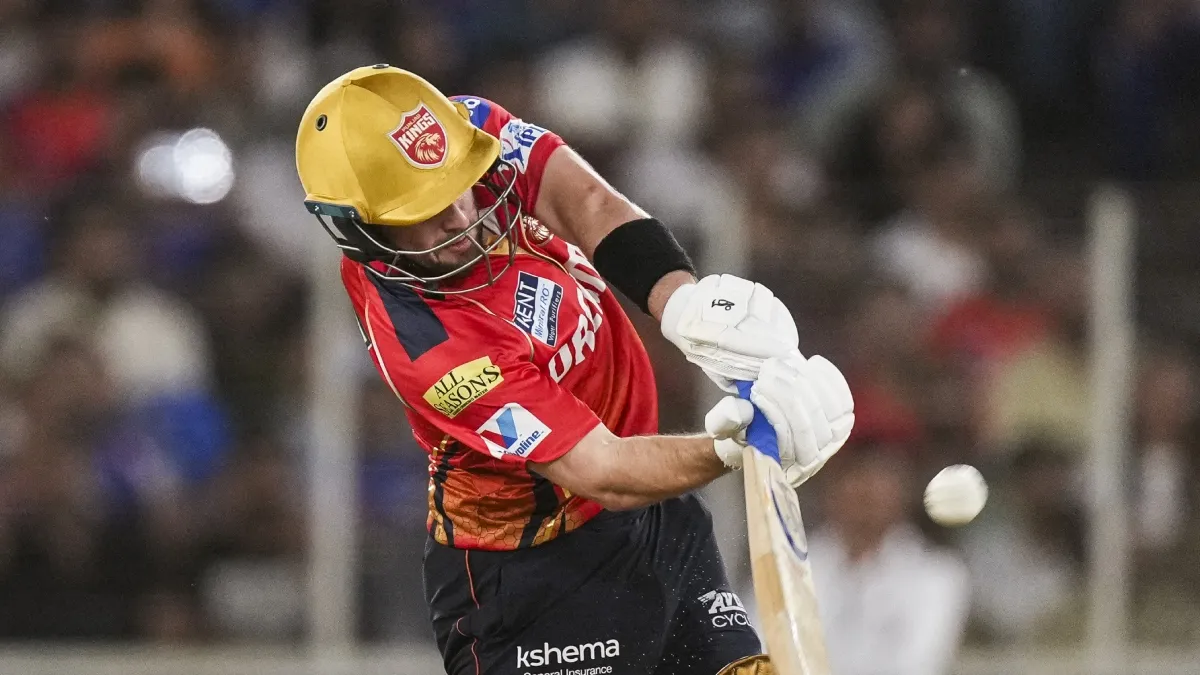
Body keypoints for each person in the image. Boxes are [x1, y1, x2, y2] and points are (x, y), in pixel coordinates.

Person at [294, 65, 854, 675]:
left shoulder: (464, 133)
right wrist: (739, 445)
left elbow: (586, 202)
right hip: (531, 581)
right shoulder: (429, 346)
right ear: (361, 231)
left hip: (653, 514)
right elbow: (599, 470)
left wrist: (685, 305)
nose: (457, 215)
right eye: (419, 211)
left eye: (455, 183)